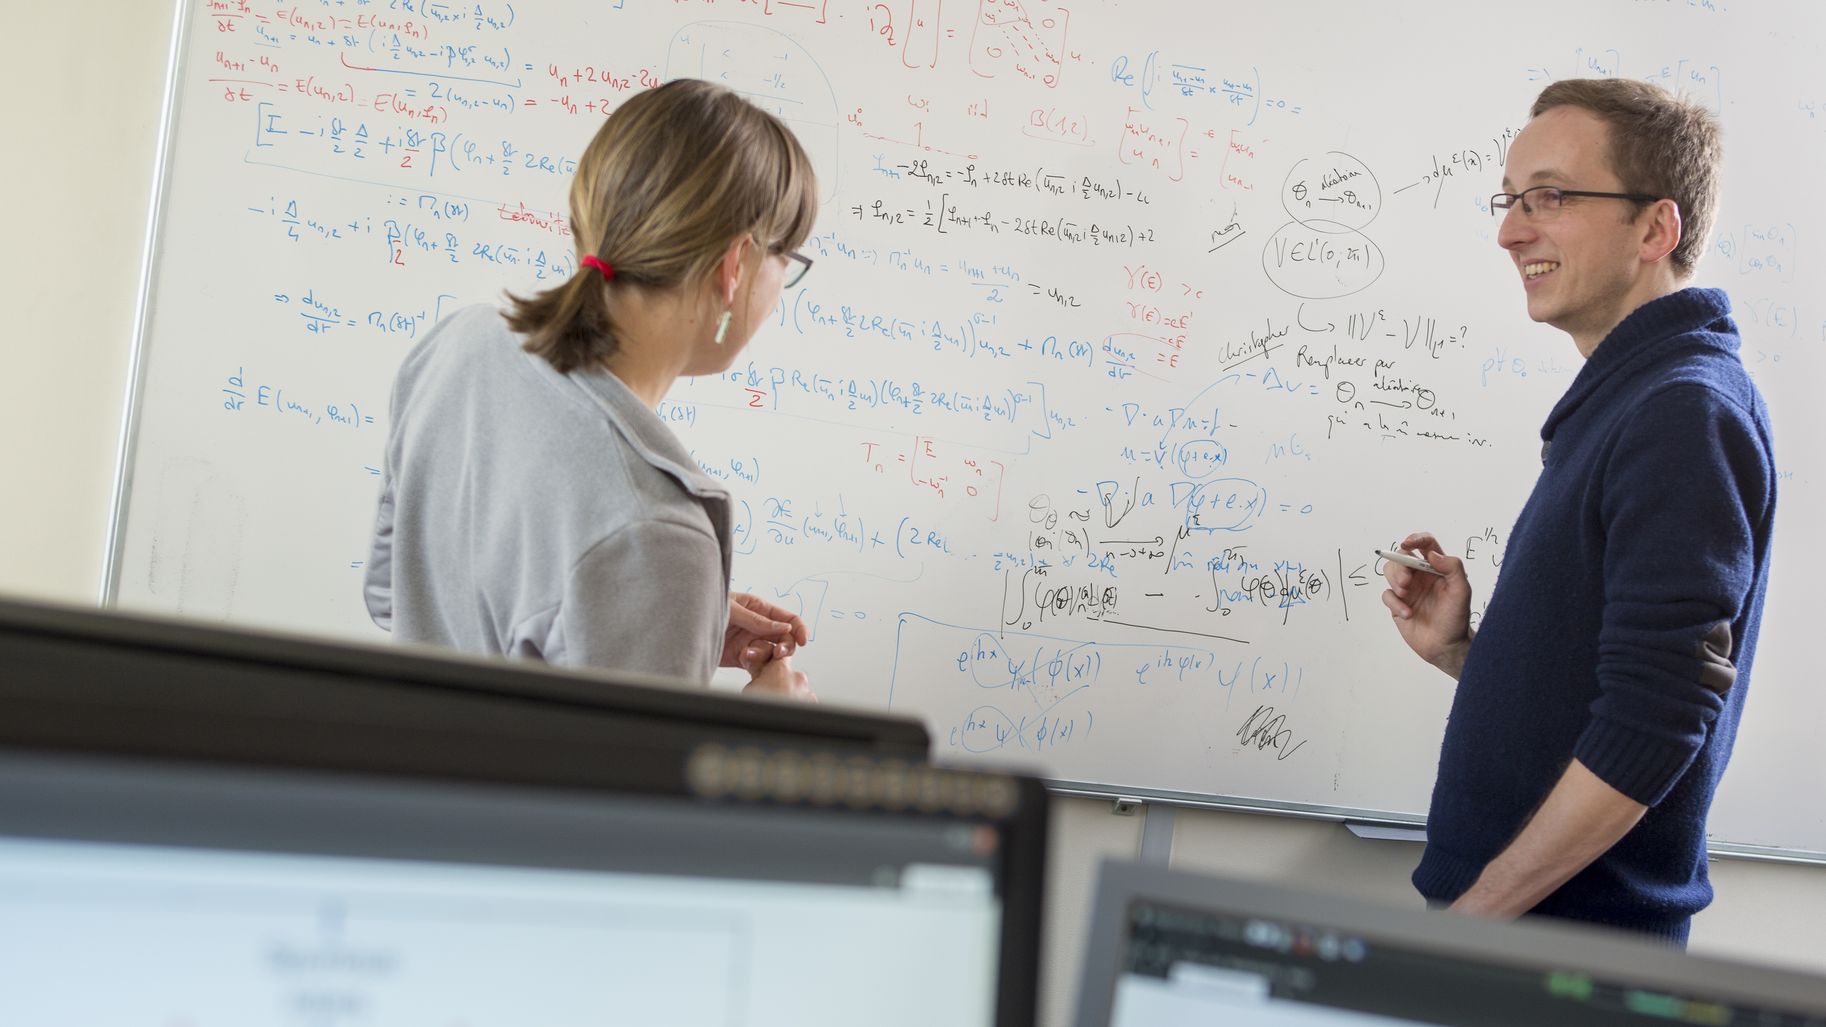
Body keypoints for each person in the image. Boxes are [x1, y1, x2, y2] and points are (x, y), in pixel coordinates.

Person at [1382, 78, 1776, 943]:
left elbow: (1655, 719)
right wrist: (1467, 654)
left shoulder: (1682, 410)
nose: (1511, 230)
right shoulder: (1630, 401)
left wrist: (1476, 920)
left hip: (1558, 950)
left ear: (1655, 229)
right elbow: (1605, 695)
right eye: (1512, 199)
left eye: (1550, 198)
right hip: (1528, 935)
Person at [364, 78, 818, 701]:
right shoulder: (657, 532)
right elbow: (634, 799)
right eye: (786, 258)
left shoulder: (462, 343)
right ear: (734, 266)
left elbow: (403, 596)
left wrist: (659, 625)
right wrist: (765, 732)